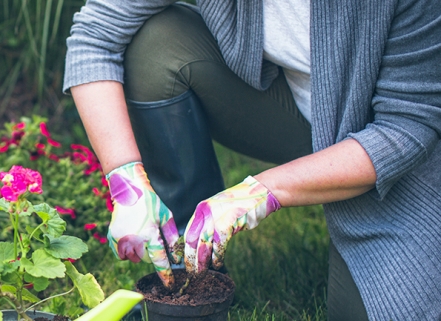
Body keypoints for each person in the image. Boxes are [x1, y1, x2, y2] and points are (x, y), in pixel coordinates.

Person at [63, 0, 441, 320]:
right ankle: (189, 271)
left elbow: (409, 125)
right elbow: (95, 35)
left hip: (393, 145)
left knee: (385, 303)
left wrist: (264, 190)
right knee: (157, 45)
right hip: (295, 110)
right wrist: (126, 183)